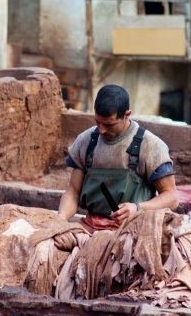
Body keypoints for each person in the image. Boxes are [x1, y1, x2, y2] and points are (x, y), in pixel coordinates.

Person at [58, 85, 179, 231]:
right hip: (92, 226)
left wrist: (137, 208)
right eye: (98, 122)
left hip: (133, 228)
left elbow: (171, 197)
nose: (101, 130)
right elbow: (73, 192)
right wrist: (61, 219)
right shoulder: (86, 141)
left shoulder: (150, 146)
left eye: (109, 124)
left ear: (127, 115)